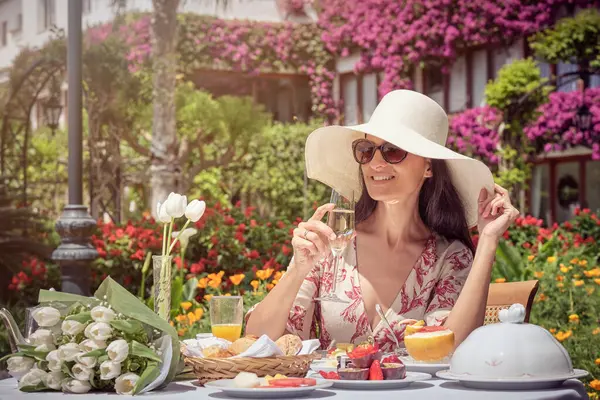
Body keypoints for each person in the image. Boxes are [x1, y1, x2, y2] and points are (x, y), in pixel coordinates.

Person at [245, 90, 519, 352]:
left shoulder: (450, 257)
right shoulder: (329, 244)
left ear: (428, 166)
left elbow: (452, 347)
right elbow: (257, 339)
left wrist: (488, 241)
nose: (376, 163)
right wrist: (298, 271)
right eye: (366, 150)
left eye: (393, 151)